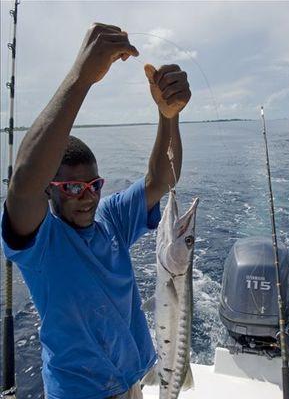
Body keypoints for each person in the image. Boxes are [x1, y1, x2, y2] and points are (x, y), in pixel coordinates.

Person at [1, 23, 191, 399]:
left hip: (132, 382)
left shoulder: (111, 219)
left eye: (93, 185)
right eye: (72, 188)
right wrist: (81, 78)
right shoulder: (40, 245)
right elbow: (23, 183)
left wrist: (169, 115)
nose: (86, 197)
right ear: (50, 192)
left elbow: (162, 179)